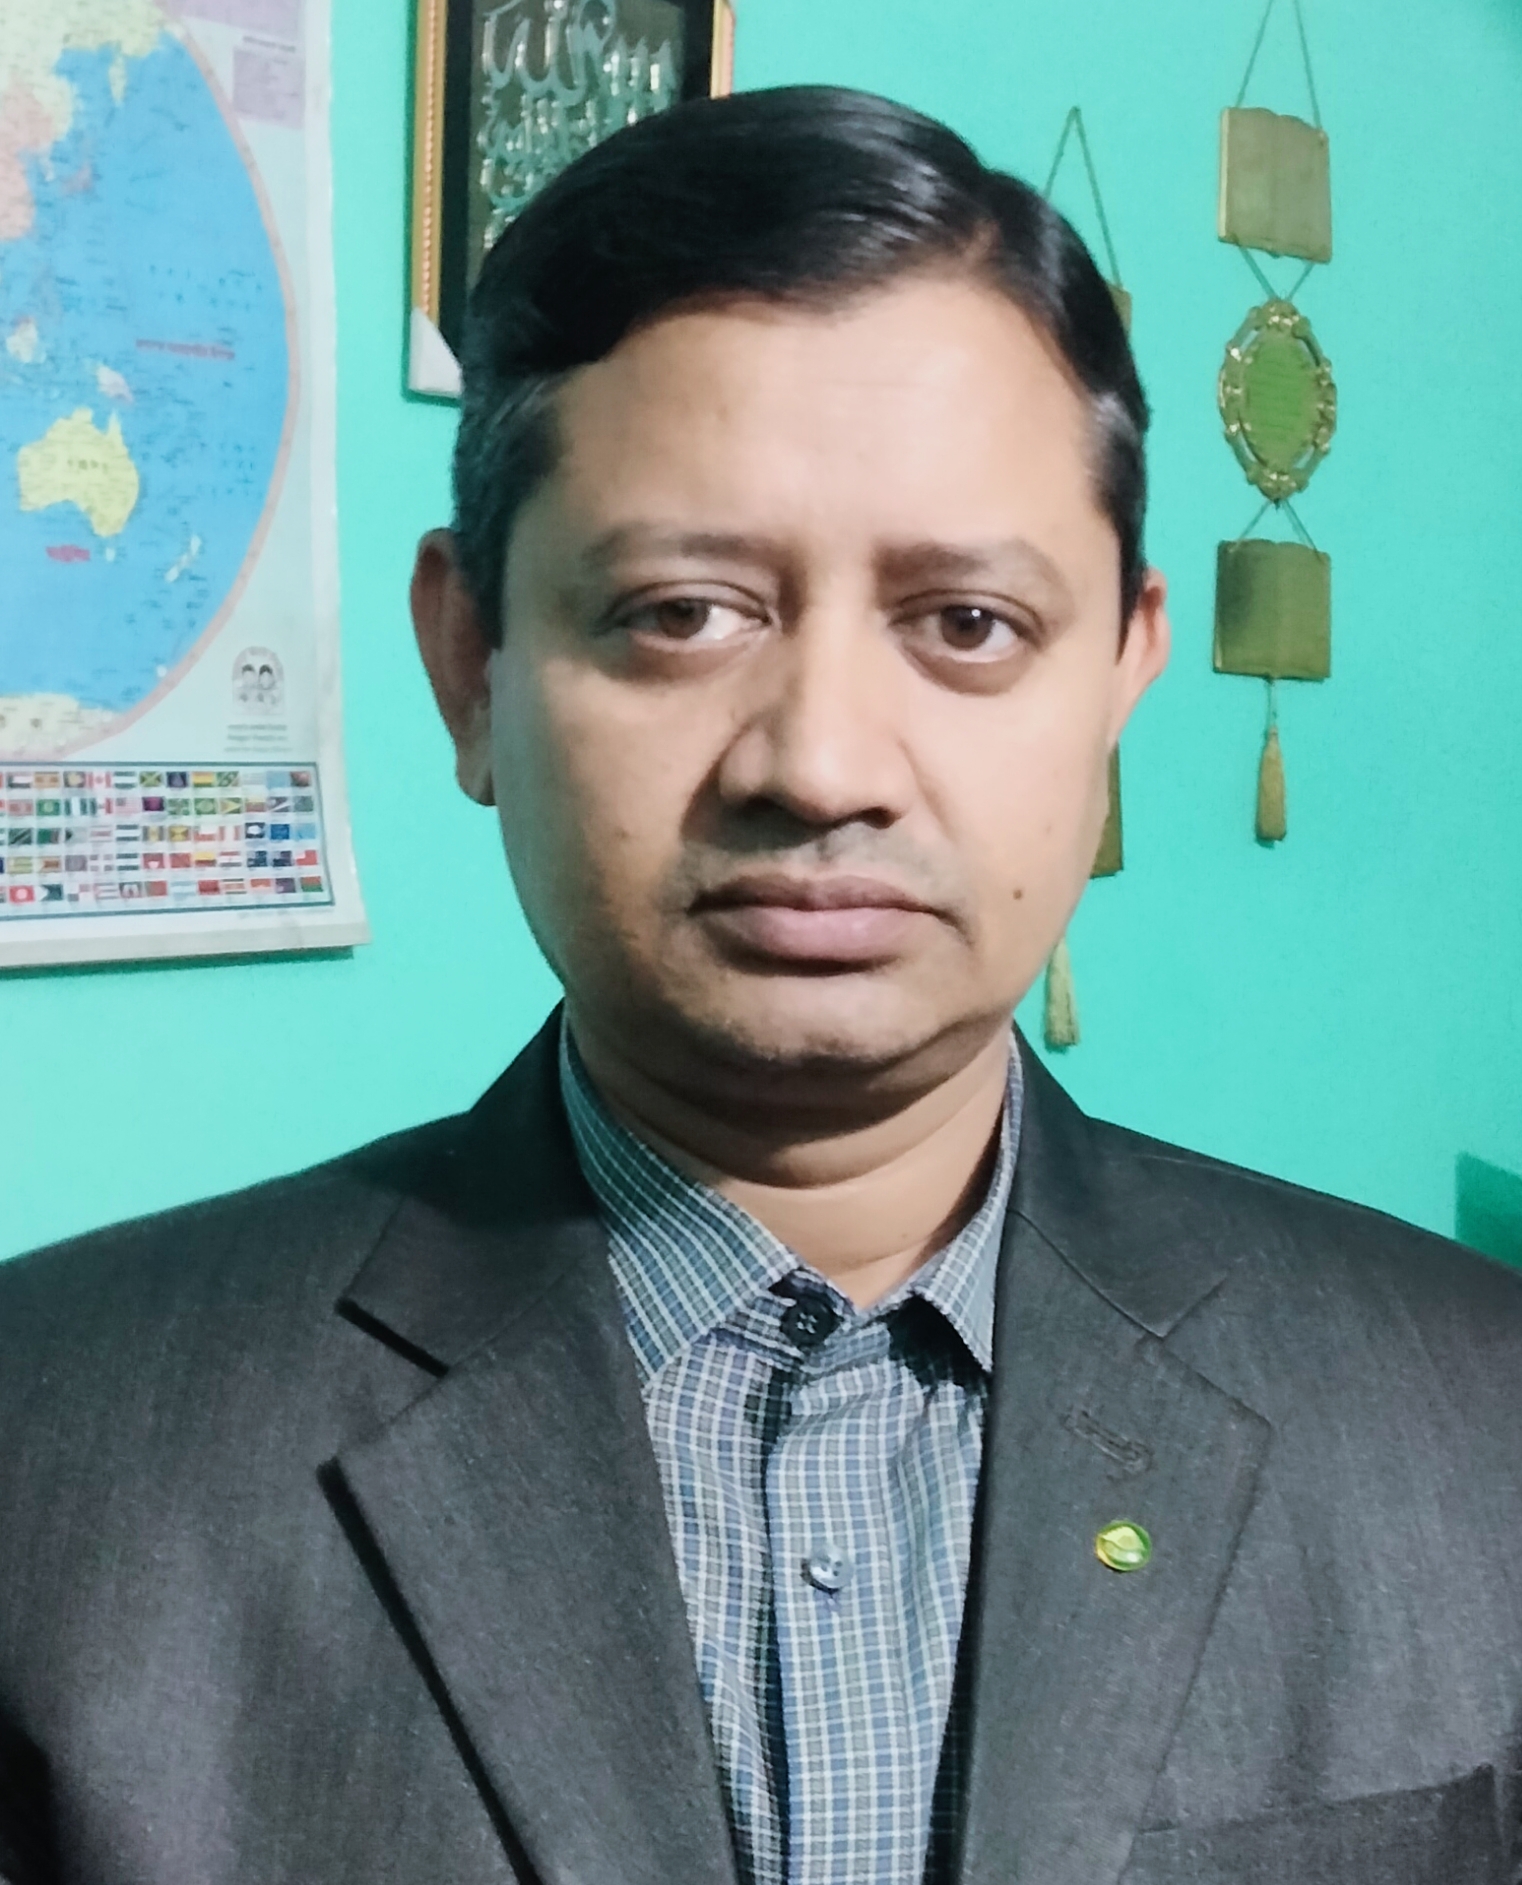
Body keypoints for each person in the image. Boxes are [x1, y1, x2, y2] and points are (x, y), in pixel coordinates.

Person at [0, 85, 1517, 1885]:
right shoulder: (50, 1451)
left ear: (1121, 670)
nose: (820, 764)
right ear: (469, 661)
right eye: (681, 613)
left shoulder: (1473, 1420)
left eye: (967, 624)